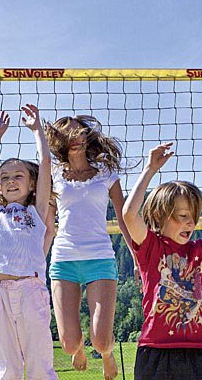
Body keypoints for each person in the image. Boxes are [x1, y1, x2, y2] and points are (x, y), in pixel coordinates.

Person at [121, 142, 202, 380]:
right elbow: (129, 214)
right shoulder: (151, 247)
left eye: (193, 217)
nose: (190, 223)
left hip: (194, 350)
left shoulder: (199, 251)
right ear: (158, 215)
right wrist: (150, 169)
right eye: (183, 216)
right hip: (155, 350)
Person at [44, 115, 133, 379]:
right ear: (59, 142)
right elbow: (49, 225)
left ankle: (107, 356)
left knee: (102, 341)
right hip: (64, 261)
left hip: (100, 259)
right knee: (69, 343)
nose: (75, 139)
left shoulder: (106, 174)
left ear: (86, 137)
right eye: (68, 135)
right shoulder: (54, 175)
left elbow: (123, 217)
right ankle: (79, 349)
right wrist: (38, 261)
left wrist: (137, 258)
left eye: (79, 133)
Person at [0, 105, 57, 379]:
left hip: (29, 289)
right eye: (5, 178)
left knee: (39, 365)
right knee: (7, 367)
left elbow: (45, 164)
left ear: (32, 184)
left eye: (18, 176)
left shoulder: (38, 212)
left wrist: (37, 131)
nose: (11, 181)